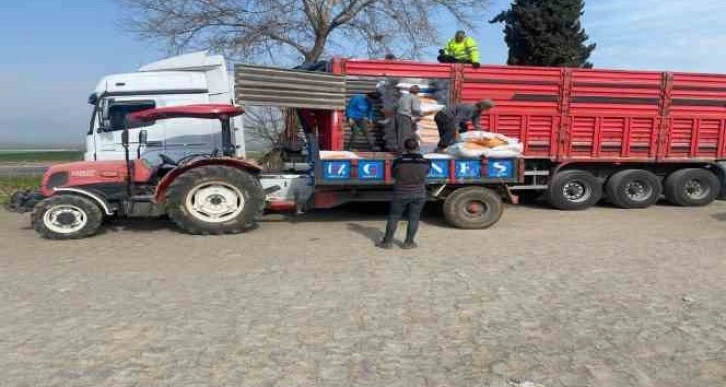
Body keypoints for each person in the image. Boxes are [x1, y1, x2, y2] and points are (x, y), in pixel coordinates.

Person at [377, 138, 432, 249]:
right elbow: (426, 173)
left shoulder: (399, 161)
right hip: (419, 193)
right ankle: (409, 242)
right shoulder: (426, 162)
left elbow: (393, 174)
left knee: (394, 217)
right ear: (418, 147)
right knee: (414, 218)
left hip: (400, 193)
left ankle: (387, 242)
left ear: (405, 148)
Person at [395, 85, 423, 152]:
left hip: (398, 116)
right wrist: (421, 114)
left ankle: (401, 149)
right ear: (417, 92)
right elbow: (416, 109)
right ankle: (404, 150)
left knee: (400, 134)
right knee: (406, 135)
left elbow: (397, 106)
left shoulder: (403, 96)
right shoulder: (415, 97)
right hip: (405, 117)